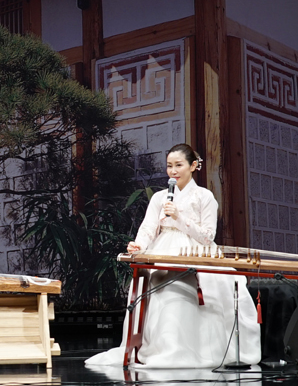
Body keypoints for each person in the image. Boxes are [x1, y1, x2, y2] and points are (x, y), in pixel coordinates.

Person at [85, 143, 261, 368]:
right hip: (163, 247)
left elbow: (208, 236)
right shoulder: (160, 197)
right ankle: (158, 348)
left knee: (188, 295)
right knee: (158, 290)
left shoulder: (205, 196)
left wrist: (179, 217)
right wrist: (138, 246)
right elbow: (148, 227)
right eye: (169, 166)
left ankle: (197, 350)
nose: (173, 171)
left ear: (194, 166)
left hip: (195, 250)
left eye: (179, 165)